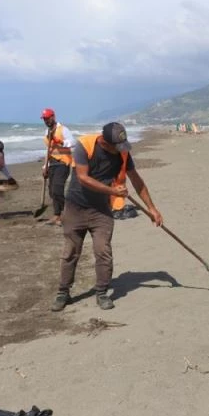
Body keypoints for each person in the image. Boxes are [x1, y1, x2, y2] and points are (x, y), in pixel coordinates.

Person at [51, 122, 163, 312]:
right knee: (70, 252)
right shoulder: (84, 145)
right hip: (75, 208)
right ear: (104, 141)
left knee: (103, 251)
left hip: (101, 210)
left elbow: (136, 180)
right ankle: (63, 292)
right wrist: (113, 190)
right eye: (115, 146)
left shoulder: (122, 152)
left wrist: (152, 208)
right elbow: (83, 178)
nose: (119, 150)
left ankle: (102, 292)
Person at [41, 108, 75, 226]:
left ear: (53, 117)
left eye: (47, 118)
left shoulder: (63, 129)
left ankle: (65, 215)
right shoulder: (47, 132)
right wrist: (45, 166)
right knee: (52, 191)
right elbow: (48, 150)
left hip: (63, 162)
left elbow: (73, 142)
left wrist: (60, 142)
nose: (46, 121)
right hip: (52, 163)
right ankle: (57, 215)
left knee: (57, 189)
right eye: (44, 119)